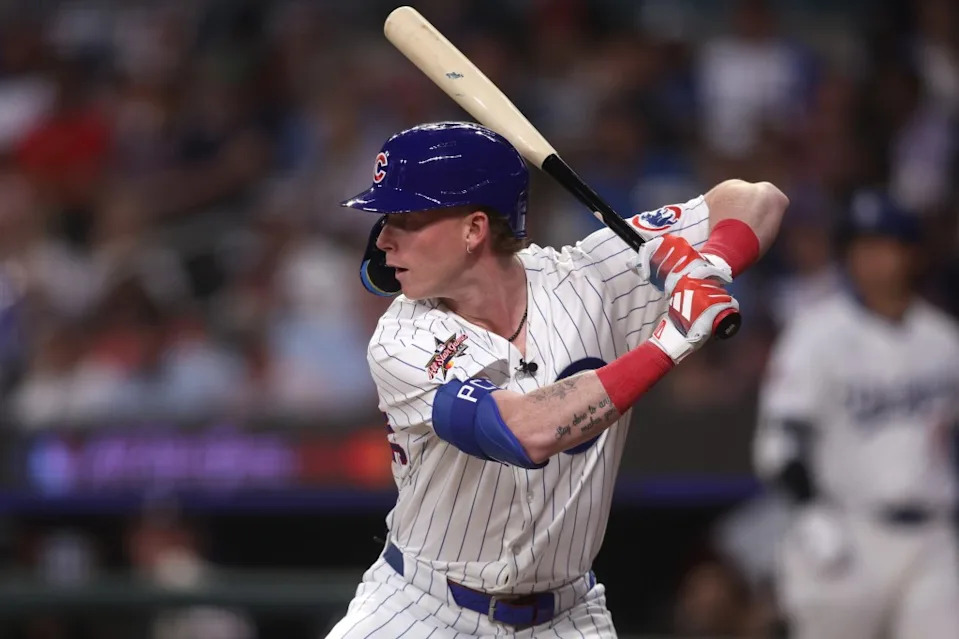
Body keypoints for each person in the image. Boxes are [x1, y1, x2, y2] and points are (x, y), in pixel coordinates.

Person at [327, 121, 786, 637]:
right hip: (422, 608)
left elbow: (757, 199)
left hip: (566, 616)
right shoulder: (401, 336)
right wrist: (671, 338)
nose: (382, 239)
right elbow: (524, 432)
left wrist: (707, 267)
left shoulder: (589, 277)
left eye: (404, 217)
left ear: (474, 229)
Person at [754, 189, 959, 639]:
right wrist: (810, 514)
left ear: (913, 255)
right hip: (846, 534)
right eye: (861, 247)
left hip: (933, 538)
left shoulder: (944, 341)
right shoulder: (816, 334)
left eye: (886, 245)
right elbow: (780, 439)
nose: (872, 260)